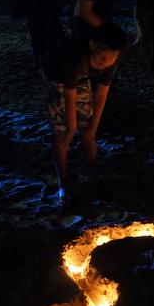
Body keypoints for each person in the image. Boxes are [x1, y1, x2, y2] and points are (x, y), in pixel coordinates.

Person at [42, 23, 126, 207]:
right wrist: (72, 128)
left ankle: (92, 175)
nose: (107, 59)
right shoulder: (76, 59)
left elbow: (102, 95)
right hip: (56, 78)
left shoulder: (110, 63)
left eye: (113, 55)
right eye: (104, 53)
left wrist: (92, 128)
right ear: (93, 45)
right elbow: (69, 96)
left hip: (81, 78)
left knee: (88, 131)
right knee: (63, 134)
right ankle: (63, 185)